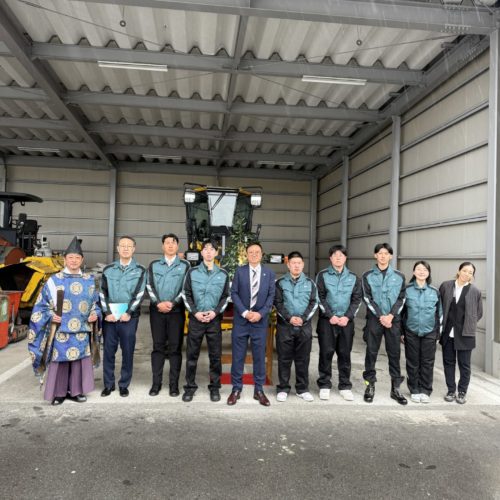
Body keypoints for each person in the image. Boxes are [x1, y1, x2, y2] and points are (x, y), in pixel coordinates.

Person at [28, 237, 101, 405]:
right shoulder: (54, 280)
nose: (74, 261)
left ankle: (76, 391)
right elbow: (41, 305)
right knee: (60, 360)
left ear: (82, 260)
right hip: (61, 329)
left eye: (77, 258)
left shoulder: (89, 281)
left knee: (78, 362)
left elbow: (96, 304)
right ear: (64, 259)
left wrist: (95, 314)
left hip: (82, 329)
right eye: (70, 257)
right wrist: (50, 315)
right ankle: (59, 393)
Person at [227, 242, 276, 407]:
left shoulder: (269, 273)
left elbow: (271, 296)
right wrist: (244, 312)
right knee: (238, 356)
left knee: (259, 357)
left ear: (262, 254)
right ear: (246, 255)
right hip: (241, 321)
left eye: (257, 252)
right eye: (251, 252)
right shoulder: (239, 272)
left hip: (259, 322)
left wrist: (260, 313)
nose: (254, 254)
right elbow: (234, 293)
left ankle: (259, 390)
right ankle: (236, 389)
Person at [181, 240, 230, 403]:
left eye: (212, 249)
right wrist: (195, 313)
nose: (209, 252)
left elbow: (226, 297)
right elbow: (186, 294)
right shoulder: (192, 272)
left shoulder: (223, 274)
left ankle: (215, 387)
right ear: (201, 253)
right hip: (196, 320)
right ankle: (190, 387)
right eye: (206, 249)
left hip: (214, 321)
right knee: (192, 355)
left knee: (215, 356)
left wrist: (215, 312)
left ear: (216, 253)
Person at [100, 236, 146, 397]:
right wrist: (107, 313)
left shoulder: (140, 270)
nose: (126, 248)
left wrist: (129, 312)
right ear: (118, 249)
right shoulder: (108, 270)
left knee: (127, 351)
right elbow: (102, 292)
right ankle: (108, 384)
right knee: (108, 351)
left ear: (134, 249)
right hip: (111, 317)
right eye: (123, 246)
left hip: (129, 317)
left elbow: (140, 293)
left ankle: (124, 384)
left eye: (129, 246)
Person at [362, 243, 407, 405]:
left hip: (393, 321)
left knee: (394, 353)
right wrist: (381, 316)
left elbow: (402, 298)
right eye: (380, 253)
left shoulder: (399, 276)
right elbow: (367, 297)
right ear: (375, 255)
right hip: (375, 320)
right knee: (371, 352)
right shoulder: (367, 275)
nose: (383, 256)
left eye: (386, 253)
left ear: (391, 256)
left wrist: (390, 316)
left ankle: (395, 388)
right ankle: (369, 385)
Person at [315, 244, 362, 401]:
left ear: (345, 258)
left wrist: (347, 317)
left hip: (346, 322)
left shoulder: (353, 277)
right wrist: (330, 315)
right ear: (330, 258)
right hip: (327, 321)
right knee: (326, 353)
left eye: (341, 255)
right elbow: (319, 296)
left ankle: (345, 386)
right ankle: (324, 385)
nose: (338, 258)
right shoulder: (323, 275)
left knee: (344, 354)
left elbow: (356, 300)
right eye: (335, 255)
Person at [146, 233, 190, 397]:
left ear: (177, 246)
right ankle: (156, 384)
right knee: (158, 347)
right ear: (162, 246)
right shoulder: (154, 265)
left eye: (173, 242)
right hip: (157, 311)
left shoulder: (185, 265)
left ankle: (173, 385)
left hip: (176, 312)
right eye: (167, 243)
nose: (170, 245)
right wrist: (158, 303)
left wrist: (173, 303)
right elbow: (149, 285)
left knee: (175, 348)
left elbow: (186, 288)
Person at [274, 251, 318, 402]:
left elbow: (314, 302)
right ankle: (283, 388)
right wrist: (289, 318)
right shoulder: (280, 283)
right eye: (293, 263)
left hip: (304, 327)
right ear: (288, 265)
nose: (296, 266)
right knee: (284, 358)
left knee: (303, 359)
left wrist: (303, 318)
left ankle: (302, 389)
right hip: (285, 326)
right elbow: (277, 303)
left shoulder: (310, 283)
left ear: (303, 265)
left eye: (299, 263)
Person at [439, 262, 483, 404]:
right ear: (458, 271)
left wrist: (468, 323)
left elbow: (478, 313)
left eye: (470, 272)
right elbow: (439, 306)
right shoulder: (446, 286)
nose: (467, 274)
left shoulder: (475, 291)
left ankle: (462, 391)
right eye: (465, 270)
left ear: (472, 275)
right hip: (448, 332)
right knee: (448, 362)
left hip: (465, 334)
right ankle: (451, 390)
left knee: (464, 365)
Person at [402, 261, 442, 404]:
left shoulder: (434, 291)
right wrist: (401, 332)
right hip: (411, 331)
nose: (421, 272)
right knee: (412, 361)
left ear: (428, 273)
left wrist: (437, 334)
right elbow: (401, 312)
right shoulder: (406, 290)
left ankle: (425, 390)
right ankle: (414, 389)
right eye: (418, 269)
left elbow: (439, 314)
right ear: (413, 272)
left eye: (425, 269)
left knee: (427, 362)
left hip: (430, 332)